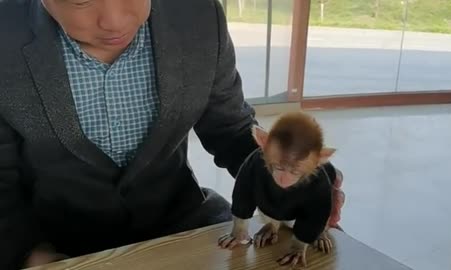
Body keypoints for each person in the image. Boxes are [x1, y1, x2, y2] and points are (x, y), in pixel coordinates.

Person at [0, 0, 344, 269]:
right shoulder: (5, 37)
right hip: (51, 238)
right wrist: (33, 256)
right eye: (81, 1)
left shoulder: (197, 17)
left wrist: (294, 184)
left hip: (183, 223)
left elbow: (230, 130)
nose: (116, 20)